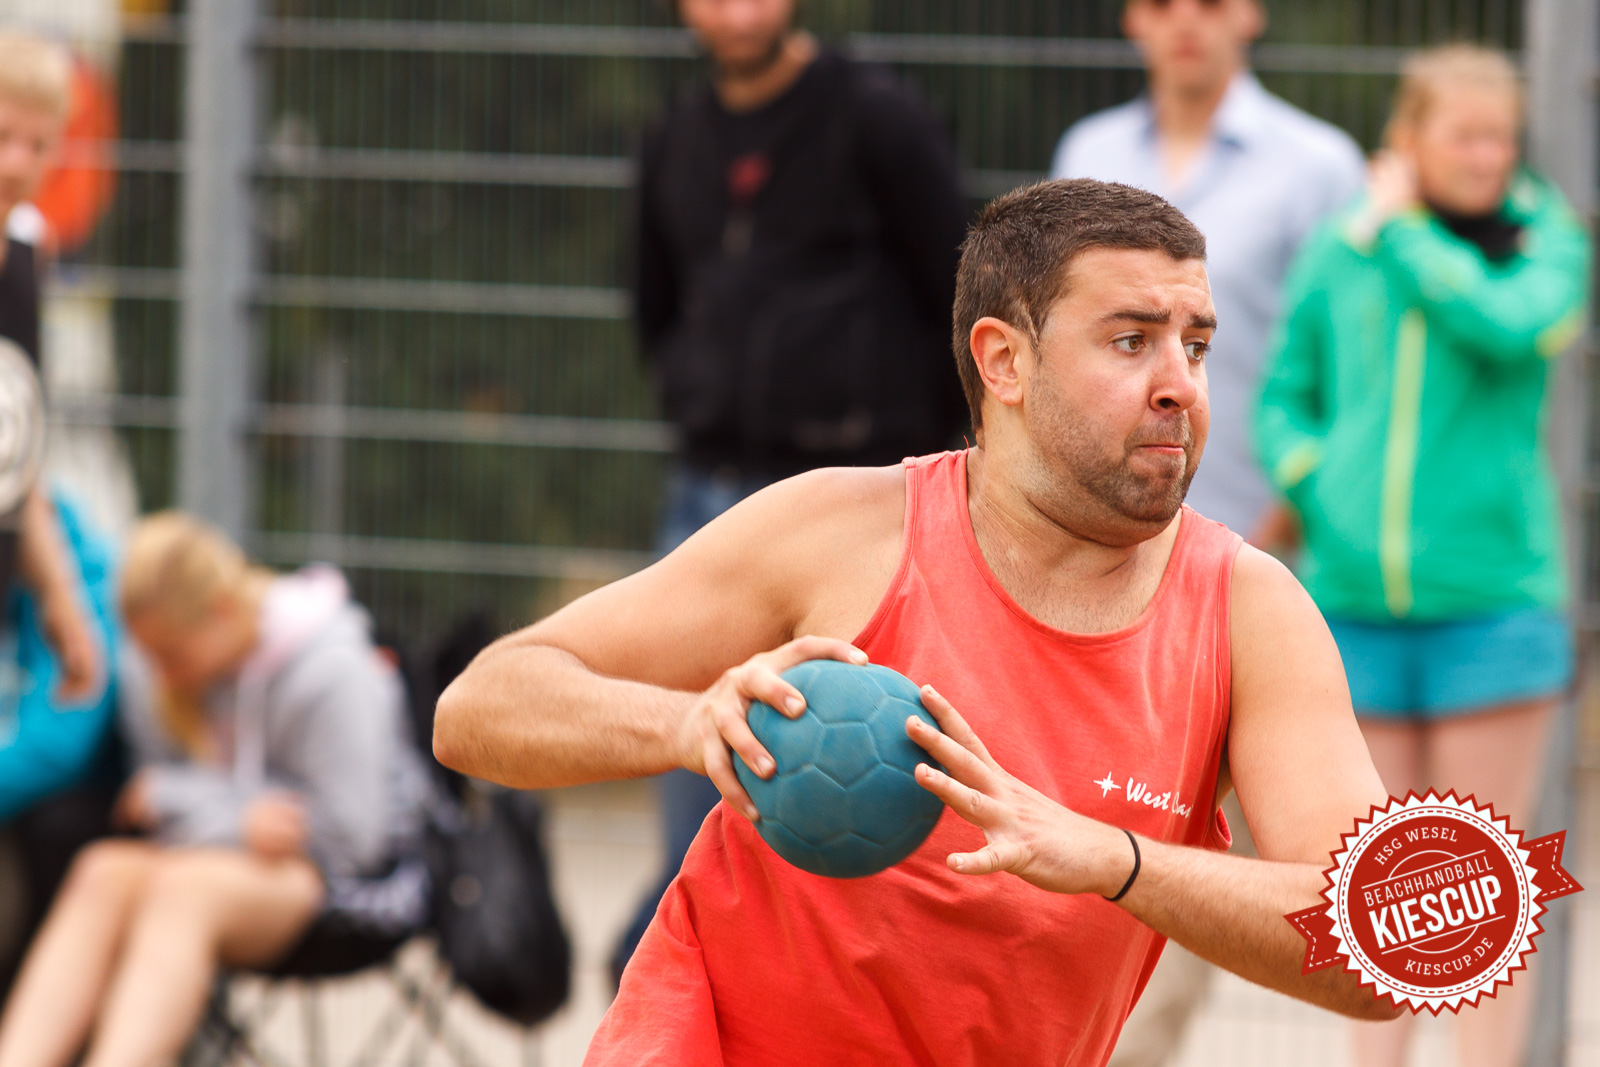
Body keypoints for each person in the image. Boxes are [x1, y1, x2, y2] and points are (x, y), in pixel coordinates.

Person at [434, 178, 1399, 1064]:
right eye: (1129, 339)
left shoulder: (1246, 611)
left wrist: (1117, 859)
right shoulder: (839, 531)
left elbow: (1387, 944)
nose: (1181, 384)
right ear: (1003, 361)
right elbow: (479, 707)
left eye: (1196, 345)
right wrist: (686, 726)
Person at [1254, 45, 1589, 1067]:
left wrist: (1402, 232)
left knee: (1482, 886)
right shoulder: (1340, 250)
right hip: (1352, 609)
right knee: (1382, 887)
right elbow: (1285, 390)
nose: (1487, 158)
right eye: (1464, 137)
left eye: (1500, 139)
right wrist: (1315, 477)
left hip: (1492, 609)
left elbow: (1512, 325)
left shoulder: (1543, 243)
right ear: (1407, 141)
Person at [621, 0, 970, 978]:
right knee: (704, 792)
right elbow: (654, 303)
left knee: (855, 805)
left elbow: (962, 284)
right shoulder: (674, 136)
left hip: (856, 501)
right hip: (709, 495)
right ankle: (687, 991)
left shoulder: (876, 116)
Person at [0, 512, 433, 1067]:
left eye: (174, 658)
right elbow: (153, 798)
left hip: (340, 889)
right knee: (102, 870)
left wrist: (205, 811)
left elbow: (354, 841)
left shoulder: (330, 669)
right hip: (215, 856)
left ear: (223, 612)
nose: (162, 676)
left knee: (182, 892)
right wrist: (237, 818)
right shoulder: (150, 664)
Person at [1051, 0, 1363, 545]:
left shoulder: (1321, 167)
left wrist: (1297, 511)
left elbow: (1355, 359)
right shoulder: (1086, 151)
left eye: (1211, 4)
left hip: (1263, 527)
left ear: (1251, 14)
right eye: (1162, 5)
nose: (1186, 20)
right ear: (1133, 18)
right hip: (1101, 524)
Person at [0, 30, 120, 998]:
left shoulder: (26, 258)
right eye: (2, 137)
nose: (20, 164)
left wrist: (64, 604)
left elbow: (20, 462)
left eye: (40, 144)